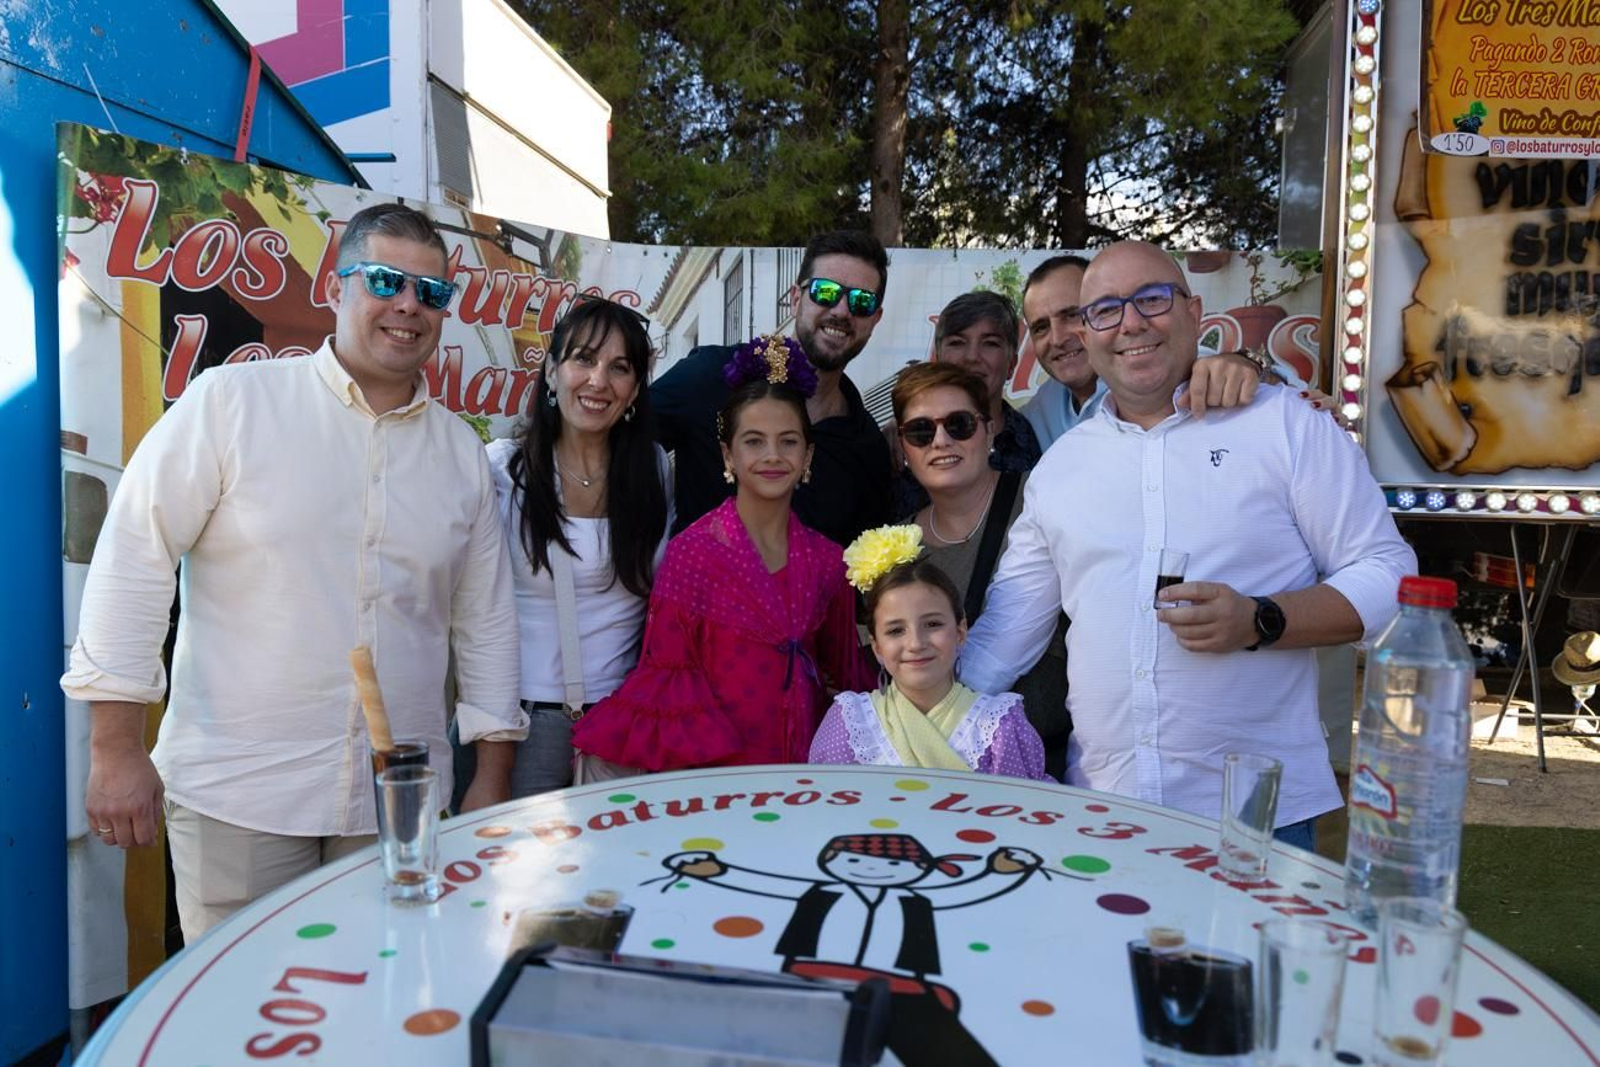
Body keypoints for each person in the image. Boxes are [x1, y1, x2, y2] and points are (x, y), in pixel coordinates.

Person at [62, 203, 526, 940]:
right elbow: (134, 557)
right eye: (385, 280)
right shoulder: (232, 402)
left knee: (378, 1012)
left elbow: (488, 621)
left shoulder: (460, 455)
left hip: (394, 805)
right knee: (243, 1032)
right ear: (336, 288)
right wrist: (115, 748)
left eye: (431, 292)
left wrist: (492, 778)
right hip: (237, 794)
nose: (409, 305)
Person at [960, 240, 1417, 848]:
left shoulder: (1285, 425)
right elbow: (1006, 633)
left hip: (1256, 814)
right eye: (1104, 311)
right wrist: (903, 711)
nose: (1130, 323)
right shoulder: (1061, 468)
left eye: (1151, 299)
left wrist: (1262, 619)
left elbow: (1389, 572)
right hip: (1104, 804)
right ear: (1090, 334)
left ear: (1195, 312)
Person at [571, 336, 875, 778]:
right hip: (714, 776)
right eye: (754, 441)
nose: (772, 456)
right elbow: (666, 680)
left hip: (808, 776)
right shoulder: (691, 555)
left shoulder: (829, 562)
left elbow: (848, 679)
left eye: (788, 442)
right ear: (728, 455)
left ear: (808, 455)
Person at [480, 296, 672, 797]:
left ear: (634, 390)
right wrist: (489, 763)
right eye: (583, 359)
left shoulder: (653, 469)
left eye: (619, 367)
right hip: (522, 727)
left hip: (624, 726)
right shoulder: (502, 469)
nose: (598, 381)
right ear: (551, 370)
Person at [887, 362, 1071, 776]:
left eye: (959, 424)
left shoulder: (1043, 501)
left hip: (1051, 768)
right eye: (920, 431)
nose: (940, 441)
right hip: (936, 768)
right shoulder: (891, 547)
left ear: (989, 431)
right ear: (903, 447)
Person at [651, 231, 892, 546]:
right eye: (825, 292)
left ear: (875, 319)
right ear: (795, 299)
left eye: (862, 301)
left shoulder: (868, 447)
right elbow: (615, 442)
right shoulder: (711, 376)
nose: (842, 310)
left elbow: (862, 575)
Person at [809, 526, 1049, 780]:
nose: (915, 643)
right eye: (895, 630)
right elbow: (830, 810)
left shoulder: (998, 725)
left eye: (933, 624)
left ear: (960, 631)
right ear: (877, 646)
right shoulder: (850, 722)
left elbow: (1019, 812)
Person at [1020, 255, 1304, 451]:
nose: (1057, 339)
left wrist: (1249, 366)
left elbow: (1255, 382)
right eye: (1041, 327)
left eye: (1071, 315)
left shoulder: (1160, 369)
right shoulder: (1041, 408)